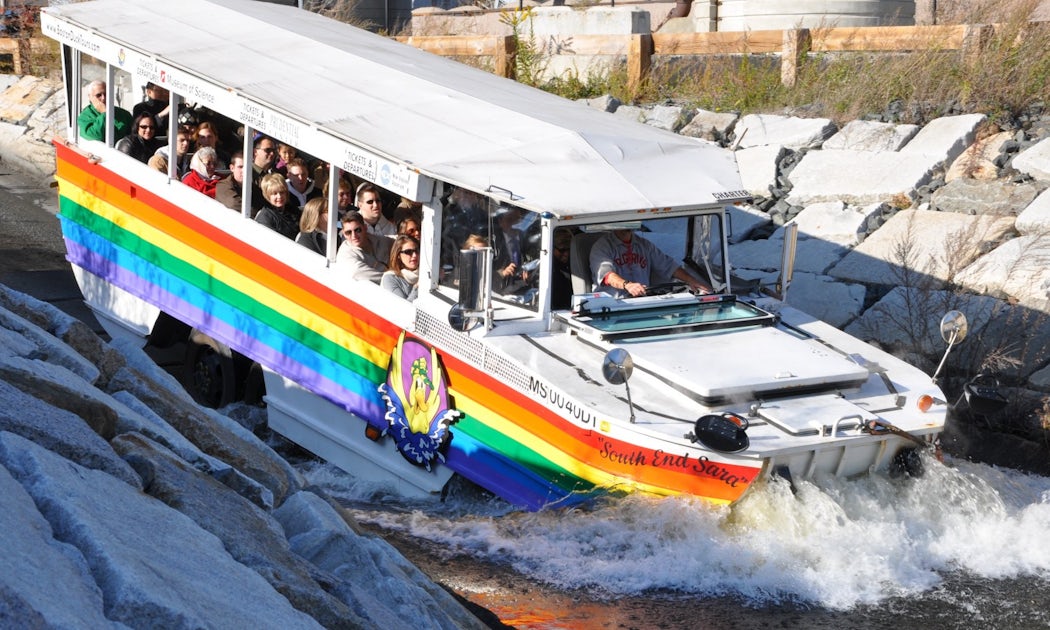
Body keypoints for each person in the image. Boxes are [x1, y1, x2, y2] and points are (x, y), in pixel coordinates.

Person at [590, 228, 712, 297]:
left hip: (643, 302)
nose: (626, 228)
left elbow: (669, 266)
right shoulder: (602, 247)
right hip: (613, 306)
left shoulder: (643, 245)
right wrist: (628, 285)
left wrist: (691, 280)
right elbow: (607, 276)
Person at [337, 210, 389, 283]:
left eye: (357, 230)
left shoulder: (378, 239)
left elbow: (395, 241)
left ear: (365, 228)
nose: (354, 236)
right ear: (343, 234)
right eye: (348, 232)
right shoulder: (345, 255)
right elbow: (358, 272)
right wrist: (394, 280)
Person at [254, 173, 299, 239]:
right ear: (267, 195)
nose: (279, 196)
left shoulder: (294, 210)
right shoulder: (265, 217)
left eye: (282, 192)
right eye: (274, 194)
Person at [381, 235, 421, 301]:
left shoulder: (428, 273)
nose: (414, 255)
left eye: (417, 250)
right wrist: (418, 287)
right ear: (398, 255)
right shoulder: (390, 278)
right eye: (408, 252)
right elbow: (403, 308)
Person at [250, 135, 279, 214]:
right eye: (268, 150)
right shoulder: (247, 174)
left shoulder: (275, 174)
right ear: (255, 152)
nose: (272, 153)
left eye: (274, 150)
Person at [550, 227, 574, 310]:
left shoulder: (577, 262)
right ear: (551, 248)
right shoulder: (547, 270)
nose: (566, 254)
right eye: (562, 250)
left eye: (569, 249)